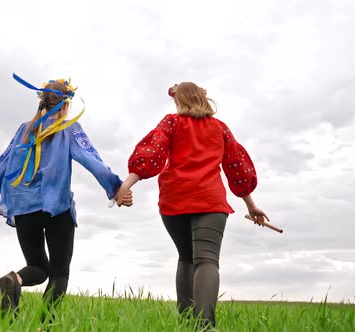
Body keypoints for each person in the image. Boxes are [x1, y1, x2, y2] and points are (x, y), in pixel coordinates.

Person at [0, 74, 133, 320]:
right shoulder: (68, 127)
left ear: (42, 102)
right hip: (57, 207)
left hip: (23, 206)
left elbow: (1, 165)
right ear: (65, 104)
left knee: (37, 267)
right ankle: (43, 326)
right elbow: (91, 160)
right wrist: (116, 188)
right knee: (58, 273)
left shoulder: (24, 130)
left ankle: (14, 279)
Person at [115, 82, 268, 328]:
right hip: (211, 201)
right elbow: (237, 168)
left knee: (186, 258)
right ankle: (204, 326)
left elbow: (152, 152)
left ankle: (185, 324)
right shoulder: (220, 128)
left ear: (179, 101)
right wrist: (250, 204)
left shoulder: (172, 122)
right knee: (206, 260)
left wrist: (127, 184)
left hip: (175, 200)